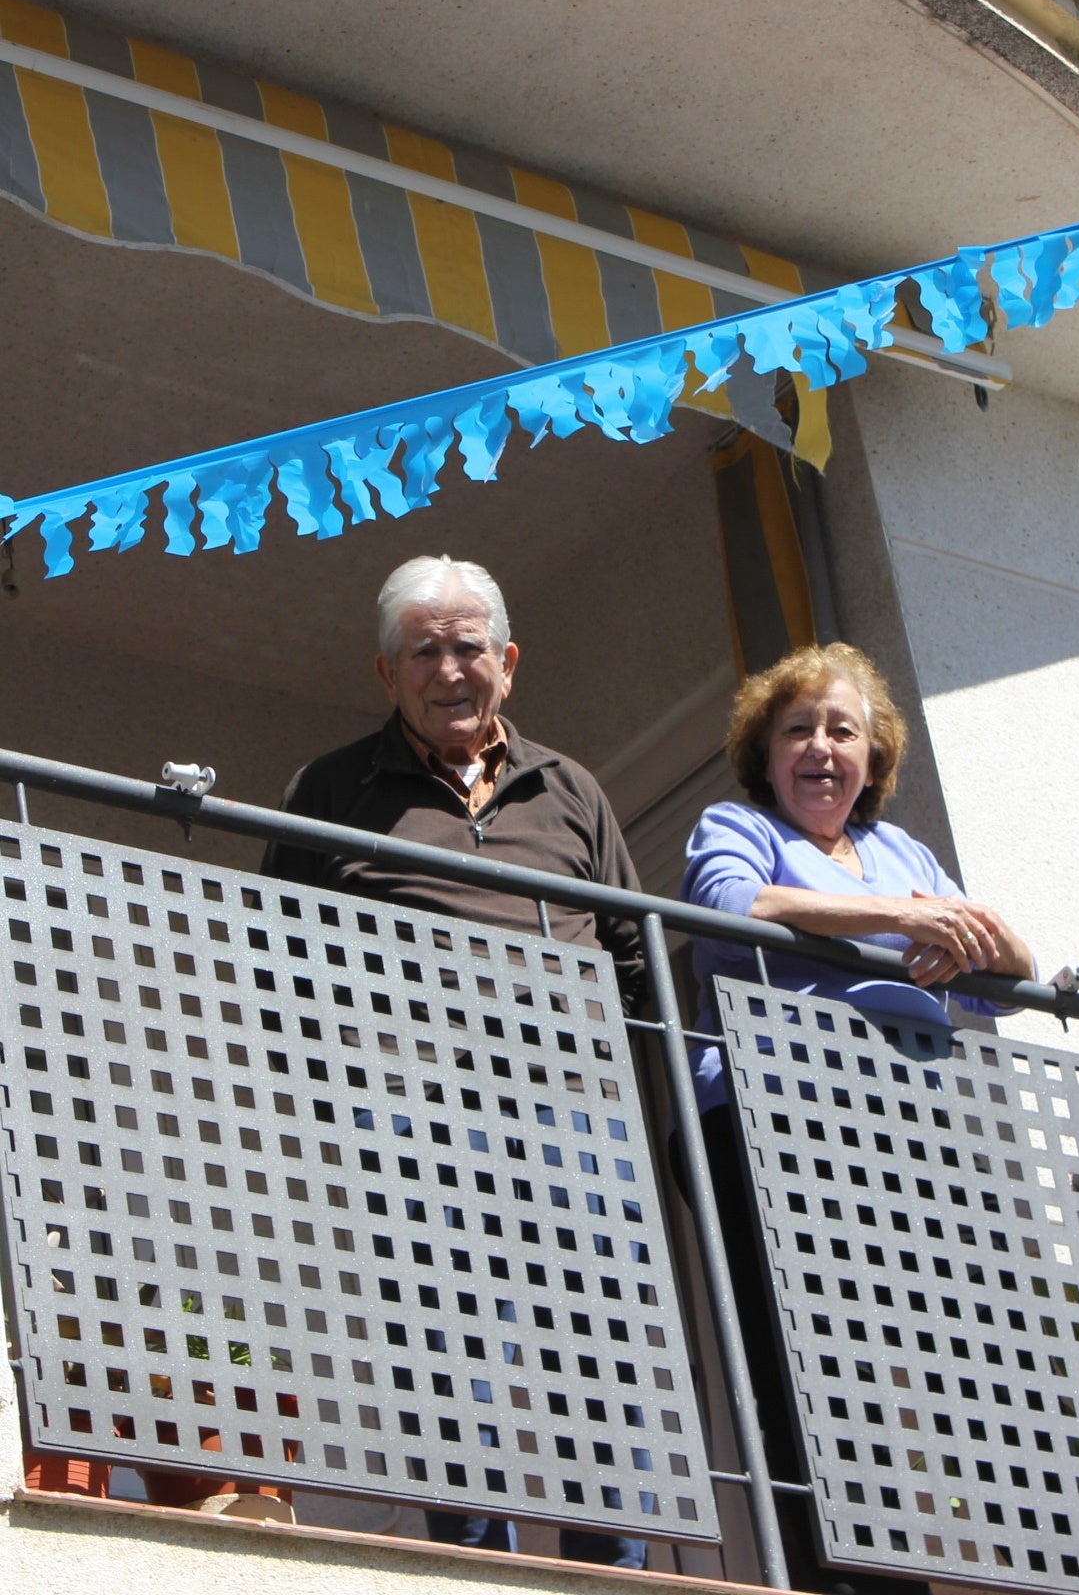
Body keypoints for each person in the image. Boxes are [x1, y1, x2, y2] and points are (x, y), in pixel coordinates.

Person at [263, 554, 646, 1569]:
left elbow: (634, 959)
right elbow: (275, 967)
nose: (448, 670)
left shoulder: (570, 790)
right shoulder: (329, 790)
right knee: (450, 1373)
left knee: (602, 1366)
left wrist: (627, 1110)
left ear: (507, 663)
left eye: (467, 647)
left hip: (568, 1108)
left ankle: (614, 1579)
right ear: (386, 675)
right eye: (421, 652)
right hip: (414, 1108)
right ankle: (475, 1574)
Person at [679, 642, 1032, 1595]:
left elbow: (1000, 979)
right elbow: (727, 907)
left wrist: (1007, 950)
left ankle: (1032, 1555)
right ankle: (841, 1579)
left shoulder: (902, 851)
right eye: (798, 729)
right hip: (768, 1122)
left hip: (904, 1128)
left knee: (979, 1349)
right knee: (809, 1374)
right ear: (766, 752)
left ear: (874, 758)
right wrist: (902, 923)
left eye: (843, 730)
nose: (821, 747)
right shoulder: (738, 825)